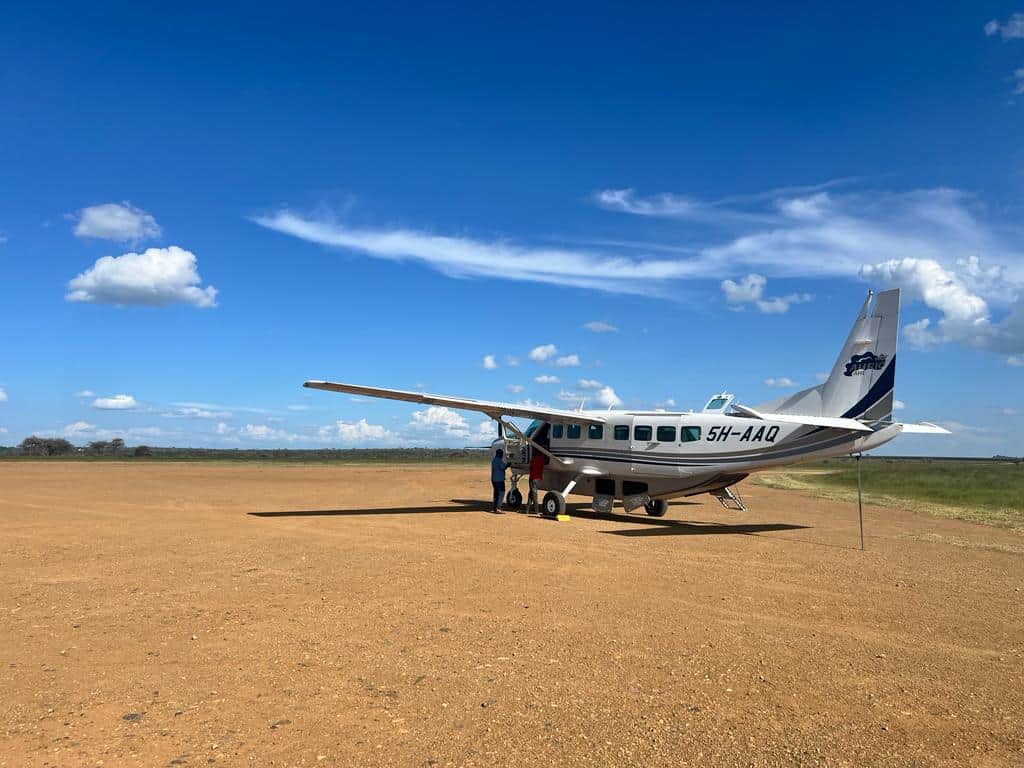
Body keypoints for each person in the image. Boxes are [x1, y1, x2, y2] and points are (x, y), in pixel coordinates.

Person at [527, 448, 545, 514]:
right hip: (538, 478)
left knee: (533, 494)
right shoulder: (542, 459)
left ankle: (536, 510)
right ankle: (527, 509)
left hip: (532, 478)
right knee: (531, 493)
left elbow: (530, 468)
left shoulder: (533, 459)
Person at [491, 449, 506, 513]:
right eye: (501, 454)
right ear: (499, 454)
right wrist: (508, 465)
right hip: (499, 480)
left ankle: (495, 508)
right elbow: (503, 467)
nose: (502, 455)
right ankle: (498, 508)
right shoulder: (499, 460)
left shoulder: (494, 460)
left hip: (494, 479)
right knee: (501, 493)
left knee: (496, 494)